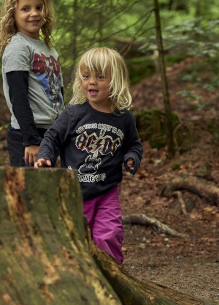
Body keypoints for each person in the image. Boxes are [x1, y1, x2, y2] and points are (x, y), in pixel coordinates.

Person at [35, 47, 143, 264]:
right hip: (73, 192)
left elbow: (134, 144)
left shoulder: (124, 118)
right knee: (74, 239)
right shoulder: (73, 114)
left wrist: (132, 157)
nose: (91, 82)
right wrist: (45, 155)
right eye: (86, 76)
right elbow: (52, 137)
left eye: (100, 77)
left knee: (109, 234)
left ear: (116, 80)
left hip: (106, 192)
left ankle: (111, 277)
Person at [0, 0, 64, 167]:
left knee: (46, 190)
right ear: (12, 14)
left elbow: (57, 92)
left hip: (51, 132)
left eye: (39, 7)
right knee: (30, 193)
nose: (34, 13)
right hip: (28, 135)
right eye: (25, 9)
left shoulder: (48, 49)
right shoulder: (18, 47)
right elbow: (18, 97)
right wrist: (30, 140)